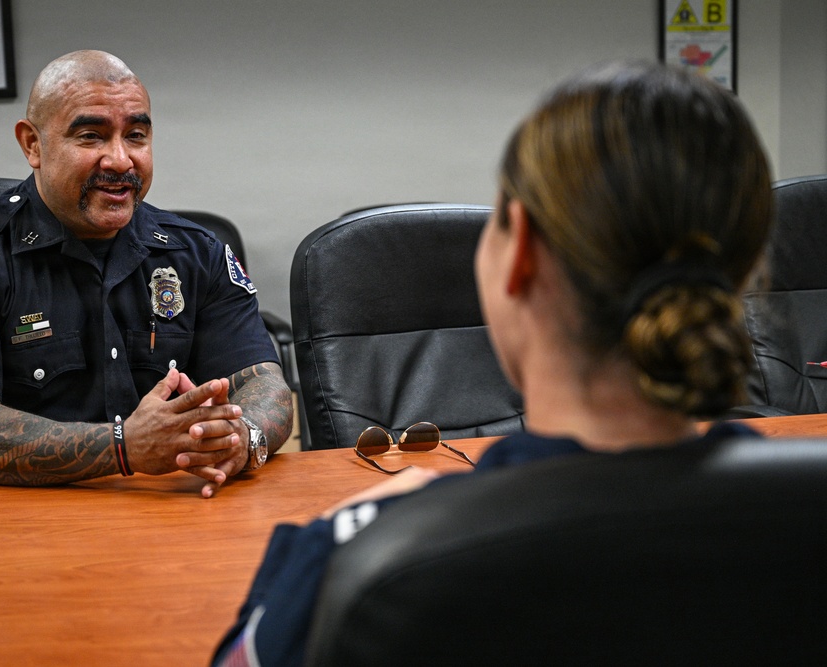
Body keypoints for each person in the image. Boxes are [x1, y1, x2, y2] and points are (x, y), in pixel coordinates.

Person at [211, 60, 773, 666]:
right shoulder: (793, 513)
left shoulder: (371, 556)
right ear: (741, 271)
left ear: (521, 253)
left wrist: (329, 542)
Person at [0, 50, 293, 498]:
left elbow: (263, 384)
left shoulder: (196, 253)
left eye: (137, 135)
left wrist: (243, 442)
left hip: (164, 517)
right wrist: (123, 449)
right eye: (91, 136)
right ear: (33, 145)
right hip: (5, 527)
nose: (120, 160)